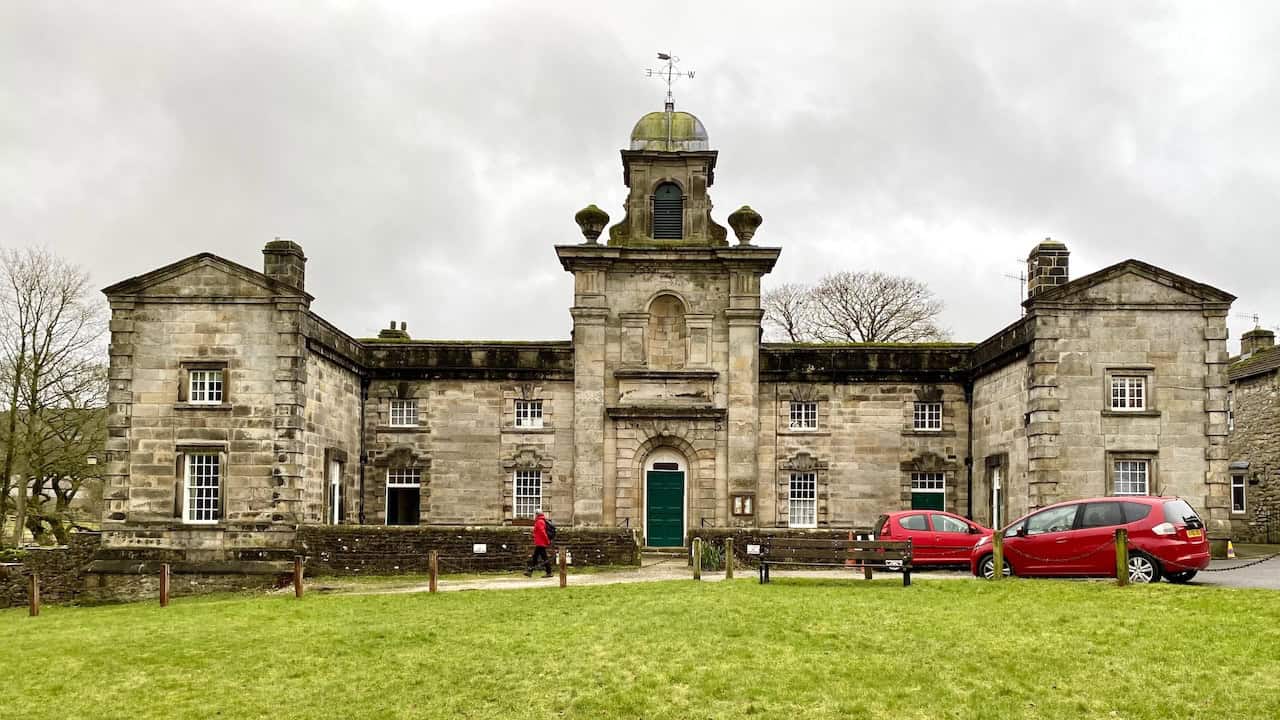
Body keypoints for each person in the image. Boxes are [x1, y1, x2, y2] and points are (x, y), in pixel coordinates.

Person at [523, 511, 553, 578]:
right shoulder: (541, 521)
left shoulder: (539, 521)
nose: (534, 515)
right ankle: (530, 571)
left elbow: (542, 532)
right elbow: (539, 532)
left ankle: (549, 572)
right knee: (535, 557)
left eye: (535, 514)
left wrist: (547, 540)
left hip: (541, 543)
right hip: (540, 542)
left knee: (543, 557)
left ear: (537, 514)